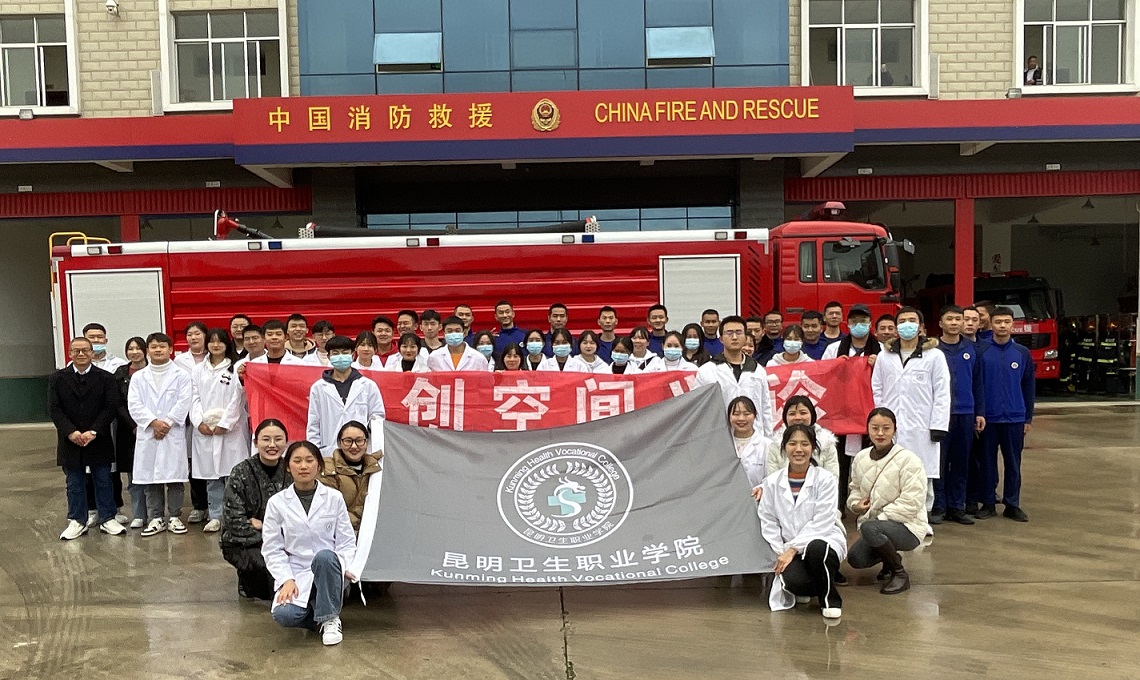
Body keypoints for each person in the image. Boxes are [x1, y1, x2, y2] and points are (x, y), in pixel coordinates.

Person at [263, 441, 357, 646]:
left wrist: (343, 566)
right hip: (297, 571)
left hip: (328, 567)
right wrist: (286, 579)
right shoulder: (277, 503)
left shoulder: (334, 498)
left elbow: (347, 541)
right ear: (288, 467)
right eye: (297, 461)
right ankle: (320, 616)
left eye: (309, 460)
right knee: (284, 615)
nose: (303, 466)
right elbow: (272, 549)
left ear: (319, 465)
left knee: (324, 556)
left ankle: (330, 619)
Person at [758, 424, 846, 619]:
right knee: (793, 583)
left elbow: (823, 521)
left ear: (813, 447)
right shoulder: (772, 482)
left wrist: (792, 549)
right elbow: (768, 519)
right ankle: (815, 584)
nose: (798, 449)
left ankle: (829, 599)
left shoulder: (825, 479)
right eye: (792, 444)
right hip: (788, 545)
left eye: (804, 444)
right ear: (784, 447)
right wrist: (781, 551)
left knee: (817, 549)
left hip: (824, 539)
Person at [871, 307, 951, 518]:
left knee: (921, 472)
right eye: (902, 321)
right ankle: (890, 515)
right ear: (897, 328)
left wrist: (938, 425)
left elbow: (942, 392)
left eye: (912, 321)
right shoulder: (884, 356)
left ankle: (922, 516)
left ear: (921, 327)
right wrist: (879, 421)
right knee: (890, 472)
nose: (907, 325)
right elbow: (876, 388)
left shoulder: (934, 356)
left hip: (922, 427)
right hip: (891, 427)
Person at [847, 408, 930, 595]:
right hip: (874, 526)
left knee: (870, 528)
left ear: (894, 430)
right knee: (856, 559)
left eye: (886, 428)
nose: (880, 433)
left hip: (908, 526)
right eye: (875, 428)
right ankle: (890, 560)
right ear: (868, 429)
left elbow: (912, 502)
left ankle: (900, 574)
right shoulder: (860, 458)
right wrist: (855, 505)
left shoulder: (909, 460)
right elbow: (855, 489)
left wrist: (879, 520)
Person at [51, 337, 124, 540]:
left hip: (98, 438)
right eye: (76, 350)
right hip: (70, 439)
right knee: (74, 482)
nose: (81, 354)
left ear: (92, 353)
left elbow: (110, 407)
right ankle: (77, 520)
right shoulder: (58, 378)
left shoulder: (106, 378)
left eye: (85, 350)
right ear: (69, 353)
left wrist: (93, 431)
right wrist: (71, 432)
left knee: (103, 480)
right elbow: (54, 409)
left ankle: (108, 518)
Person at [128, 332, 192, 538]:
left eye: (162, 346)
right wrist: (153, 423)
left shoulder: (182, 375)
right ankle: (155, 518)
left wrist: (167, 423)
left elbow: (184, 401)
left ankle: (174, 517)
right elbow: (134, 404)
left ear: (170, 349)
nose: (158, 350)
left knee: (174, 478)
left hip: (172, 433)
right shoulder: (138, 377)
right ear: (148, 350)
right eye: (153, 346)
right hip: (149, 433)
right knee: (151, 478)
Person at [221, 419, 290, 600]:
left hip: (286, 540)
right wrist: (271, 535)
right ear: (255, 442)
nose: (272, 445)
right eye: (266, 439)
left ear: (286, 442)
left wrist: (265, 526)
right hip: (247, 542)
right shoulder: (240, 472)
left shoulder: (292, 471)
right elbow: (234, 521)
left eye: (278, 439)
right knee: (265, 572)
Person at [189, 329, 250, 534]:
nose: (215, 345)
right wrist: (199, 422)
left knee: (233, 475)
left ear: (227, 344)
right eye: (212, 342)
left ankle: (235, 516)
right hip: (206, 430)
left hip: (231, 429)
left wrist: (226, 423)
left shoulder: (236, 367)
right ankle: (215, 516)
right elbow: (194, 397)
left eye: (220, 342)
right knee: (212, 476)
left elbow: (239, 397)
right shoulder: (198, 370)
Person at [821, 304, 883, 504]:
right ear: (847, 324)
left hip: (869, 413)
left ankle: (867, 505)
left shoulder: (882, 351)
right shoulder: (833, 349)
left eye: (863, 321)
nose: (859, 325)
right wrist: (836, 366)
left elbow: (889, 381)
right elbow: (822, 378)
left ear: (870, 323)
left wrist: (878, 365)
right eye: (854, 321)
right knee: (839, 463)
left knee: (869, 463)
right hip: (841, 413)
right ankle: (838, 504)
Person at [978, 306, 1034, 522]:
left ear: (1013, 324)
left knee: (1013, 463)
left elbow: (1028, 386)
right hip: (988, 419)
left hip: (1014, 418)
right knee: (987, 462)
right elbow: (977, 385)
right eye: (998, 322)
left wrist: (1028, 417)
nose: (1002, 326)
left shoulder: (1022, 353)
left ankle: (1012, 504)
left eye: (1007, 322)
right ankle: (988, 503)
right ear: (991, 324)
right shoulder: (981, 352)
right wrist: (979, 413)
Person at [932, 305, 985, 525]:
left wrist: (980, 412)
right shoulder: (932, 350)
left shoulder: (972, 349)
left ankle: (957, 506)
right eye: (949, 319)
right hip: (939, 414)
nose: (954, 323)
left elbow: (978, 382)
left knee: (961, 461)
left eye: (957, 319)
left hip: (965, 412)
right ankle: (938, 506)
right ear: (940, 323)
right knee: (938, 462)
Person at [695, 316, 775, 436]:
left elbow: (765, 408)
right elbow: (699, 409)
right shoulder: (706, 371)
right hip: (718, 436)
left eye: (739, 332)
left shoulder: (758, 371)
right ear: (721, 338)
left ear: (745, 337)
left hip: (754, 437)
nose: (734, 337)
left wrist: (768, 438)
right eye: (729, 333)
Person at [307, 336, 385, 456]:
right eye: (335, 353)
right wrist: (315, 452)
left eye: (344, 353)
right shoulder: (318, 388)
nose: (340, 356)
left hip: (360, 451)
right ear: (329, 357)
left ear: (353, 355)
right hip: (329, 451)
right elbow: (313, 424)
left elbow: (378, 420)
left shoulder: (368, 386)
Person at [173, 321, 210, 525]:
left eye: (197, 334)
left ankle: (217, 506)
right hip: (188, 418)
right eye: (189, 334)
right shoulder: (179, 361)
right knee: (194, 461)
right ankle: (199, 506)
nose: (193, 338)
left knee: (214, 462)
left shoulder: (215, 357)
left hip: (212, 415)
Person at [317, 421, 381, 534]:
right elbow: (329, 510)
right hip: (338, 534)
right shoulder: (326, 468)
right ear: (339, 443)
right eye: (348, 441)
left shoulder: (377, 467)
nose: (354, 446)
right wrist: (362, 522)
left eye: (359, 440)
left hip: (373, 533)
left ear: (367, 442)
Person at [112, 337, 149, 528]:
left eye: (138, 348)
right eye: (130, 349)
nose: (134, 352)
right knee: (134, 476)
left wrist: (148, 423)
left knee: (155, 475)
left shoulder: (154, 370)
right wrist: (134, 425)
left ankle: (157, 513)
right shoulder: (120, 374)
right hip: (128, 431)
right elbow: (118, 403)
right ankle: (139, 514)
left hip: (153, 428)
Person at [765, 396, 839, 480]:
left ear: (812, 415)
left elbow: (833, 479)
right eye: (792, 414)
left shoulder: (827, 444)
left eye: (803, 413)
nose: (798, 417)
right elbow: (772, 480)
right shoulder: (775, 445)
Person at [728, 396, 769, 500]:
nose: (741, 418)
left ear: (755, 416)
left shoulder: (767, 445)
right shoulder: (722, 444)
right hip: (727, 502)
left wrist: (762, 488)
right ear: (729, 417)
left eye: (746, 414)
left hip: (757, 502)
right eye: (736, 414)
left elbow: (774, 477)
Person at [428, 316, 492, 371]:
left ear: (464, 333)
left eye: (457, 331)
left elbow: (484, 380)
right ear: (444, 334)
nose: (454, 334)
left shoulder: (478, 358)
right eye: (449, 331)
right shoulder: (434, 357)